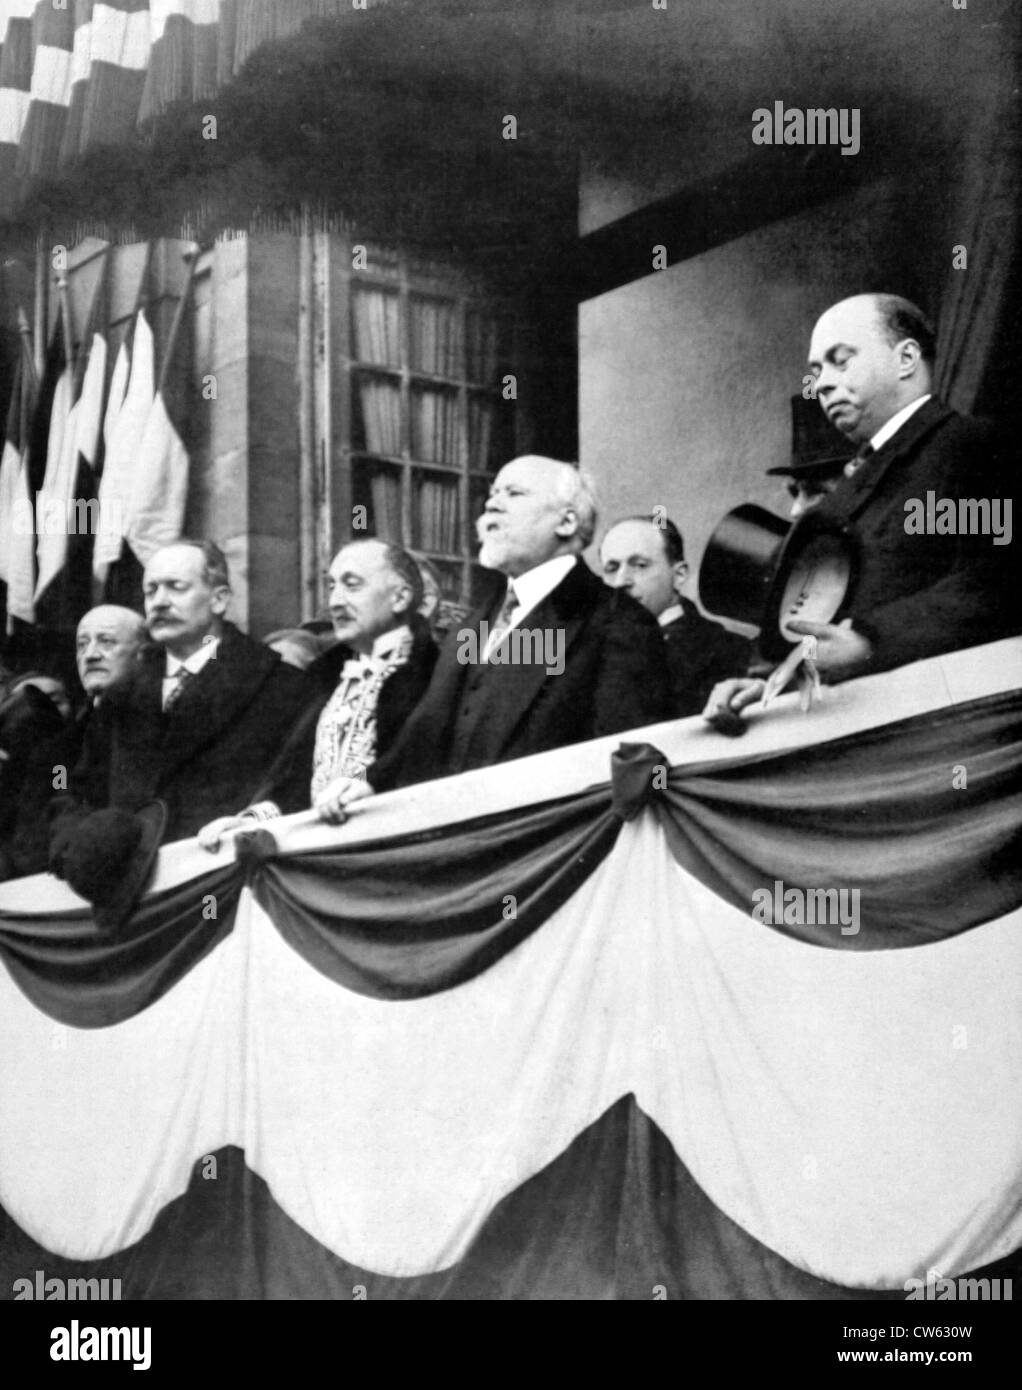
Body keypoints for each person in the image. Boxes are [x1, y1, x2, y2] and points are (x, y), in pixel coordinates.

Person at [705, 293, 1017, 722]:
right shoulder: (840, 496)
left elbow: (998, 584)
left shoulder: (970, 447)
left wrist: (872, 640)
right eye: (816, 371)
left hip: (938, 731)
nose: (822, 384)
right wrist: (774, 682)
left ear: (906, 358)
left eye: (840, 360)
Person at [313, 454, 672, 823]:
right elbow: (427, 729)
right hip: (460, 848)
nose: (491, 504)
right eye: (492, 494)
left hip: (544, 849)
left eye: (514, 494)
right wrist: (367, 783)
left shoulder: (616, 620)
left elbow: (623, 764)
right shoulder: (473, 624)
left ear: (566, 522)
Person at [50, 540, 314, 863]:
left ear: (219, 599)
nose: (159, 603)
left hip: (221, 885)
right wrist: (75, 848)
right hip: (129, 895)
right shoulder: (121, 697)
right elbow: (76, 792)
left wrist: (254, 821)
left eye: (176, 588)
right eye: (151, 591)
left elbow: (295, 788)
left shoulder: (280, 687)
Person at [197, 538, 438, 849]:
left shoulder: (436, 673)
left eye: (352, 585)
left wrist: (368, 783)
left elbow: (422, 763)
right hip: (318, 857)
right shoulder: (324, 676)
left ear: (401, 597)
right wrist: (253, 819)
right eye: (332, 586)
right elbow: (295, 778)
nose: (335, 601)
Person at [0, 607, 146, 880]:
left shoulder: (163, 724)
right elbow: (52, 801)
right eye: (82, 645)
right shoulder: (57, 754)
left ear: (144, 654)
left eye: (107, 641)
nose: (90, 655)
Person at [599, 514, 750, 717]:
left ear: (679, 575)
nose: (620, 581)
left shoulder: (730, 651)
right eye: (612, 569)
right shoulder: (590, 656)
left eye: (640, 565)